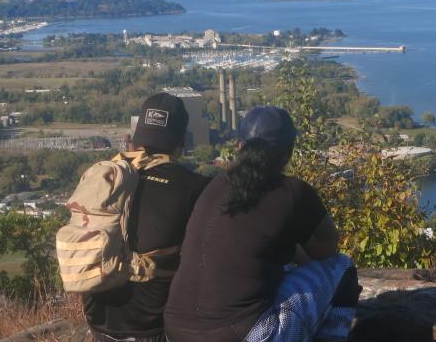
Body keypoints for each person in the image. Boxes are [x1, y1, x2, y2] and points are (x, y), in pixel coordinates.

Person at [164, 106, 360, 342]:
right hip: (240, 335)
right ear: (288, 152)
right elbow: (327, 251)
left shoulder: (213, 186)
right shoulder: (293, 192)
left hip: (175, 330)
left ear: (239, 146)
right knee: (343, 267)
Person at [82, 92, 211, 342]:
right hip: (153, 327)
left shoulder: (102, 178)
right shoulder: (194, 187)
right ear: (181, 142)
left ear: (134, 140)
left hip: (99, 320)